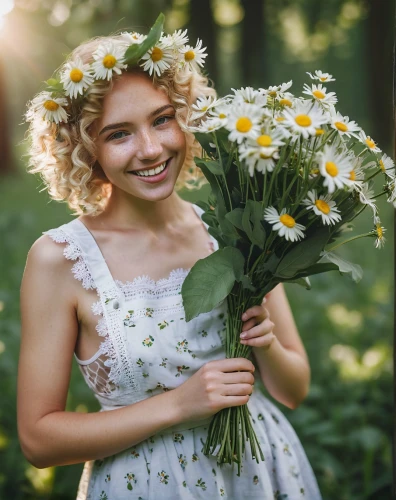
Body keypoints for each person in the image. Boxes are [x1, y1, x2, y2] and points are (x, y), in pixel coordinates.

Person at [17, 20, 322, 500]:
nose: (152, 149)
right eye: (119, 134)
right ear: (86, 150)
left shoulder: (239, 229)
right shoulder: (61, 260)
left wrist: (266, 345)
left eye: (162, 119)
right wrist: (179, 405)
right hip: (145, 484)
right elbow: (38, 440)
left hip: (259, 470)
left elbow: (294, 389)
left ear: (186, 116)